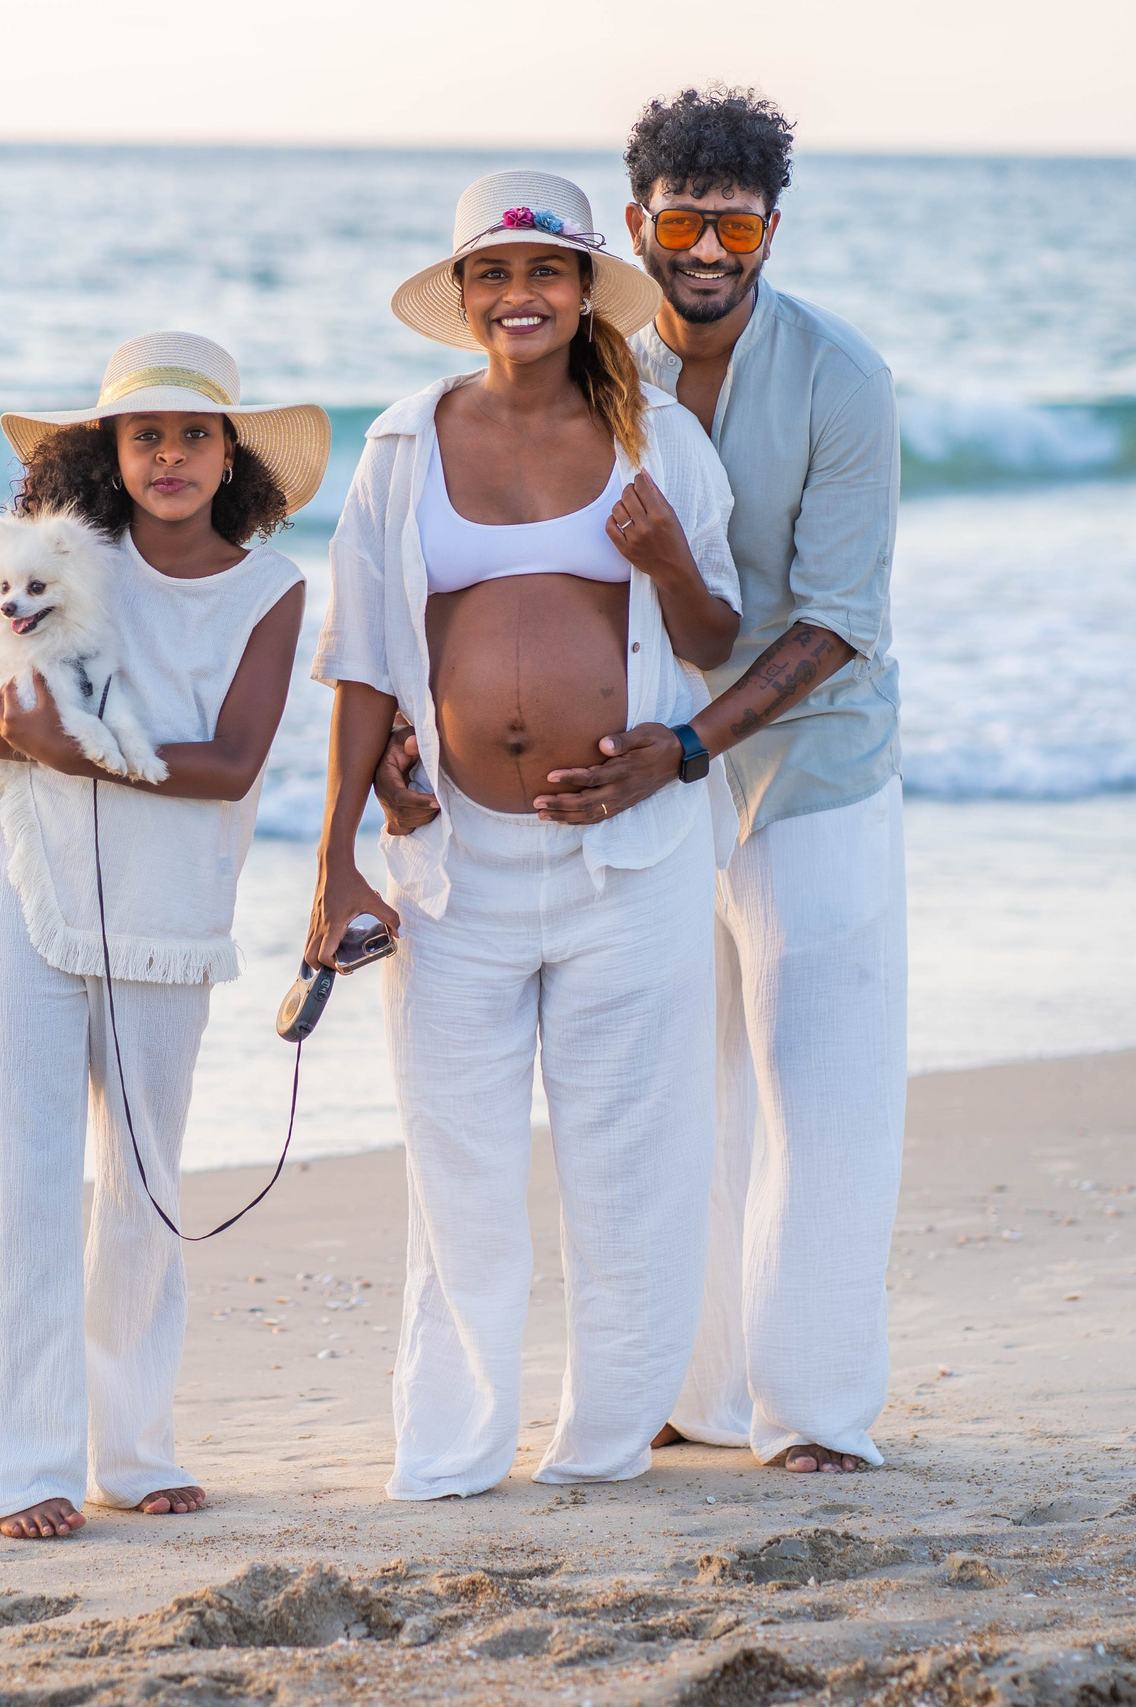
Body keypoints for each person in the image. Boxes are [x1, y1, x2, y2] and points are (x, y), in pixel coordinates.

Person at [375, 89, 906, 1476]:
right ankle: (700, 1390)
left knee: (819, 1087)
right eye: (684, 219)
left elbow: (839, 612)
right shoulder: (600, 365)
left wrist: (685, 747)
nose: (710, 247)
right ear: (639, 226)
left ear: (774, 227)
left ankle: (816, 1409)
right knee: (686, 1101)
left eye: (738, 221)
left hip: (804, 769)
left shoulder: (839, 379)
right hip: (635, 797)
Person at [308, 169, 743, 1501]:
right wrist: (333, 864)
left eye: (543, 273)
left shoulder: (661, 439)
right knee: (462, 1171)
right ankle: (450, 1451)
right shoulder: (399, 445)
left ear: (583, 288)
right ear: (460, 295)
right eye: (492, 275)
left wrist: (666, 555)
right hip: (456, 869)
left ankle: (601, 1445)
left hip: (631, 861)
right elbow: (364, 663)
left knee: (630, 1165)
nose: (518, 297)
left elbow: (719, 639)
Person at [0, 331, 328, 1538]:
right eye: (143, 435)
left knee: (145, 1191)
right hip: (30, 900)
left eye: (192, 435)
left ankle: (130, 1448)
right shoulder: (57, 559)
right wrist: (4, 742)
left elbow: (236, 761)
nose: (168, 456)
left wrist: (66, 747)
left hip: (169, 920)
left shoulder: (271, 588)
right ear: (107, 451)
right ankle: (9, 1471)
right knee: (21, 1177)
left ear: (228, 454)